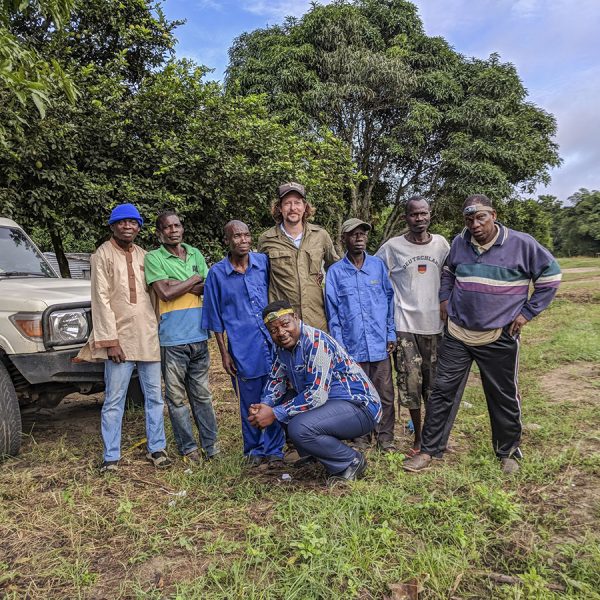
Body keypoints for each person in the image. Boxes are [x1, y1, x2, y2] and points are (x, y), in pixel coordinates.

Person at [403, 194, 562, 474]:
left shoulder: (521, 244)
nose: (475, 224)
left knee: (502, 394)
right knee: (442, 392)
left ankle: (508, 452)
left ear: (493, 215)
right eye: (469, 219)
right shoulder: (459, 242)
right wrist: (444, 299)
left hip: (498, 335)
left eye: (481, 217)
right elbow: (449, 272)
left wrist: (527, 313)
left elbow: (550, 276)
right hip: (458, 333)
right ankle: (429, 450)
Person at [77, 203, 171, 473]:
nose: (128, 226)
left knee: (154, 397)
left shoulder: (146, 256)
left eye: (133, 222)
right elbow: (101, 300)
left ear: (139, 228)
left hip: (147, 335)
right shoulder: (102, 255)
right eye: (122, 222)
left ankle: (157, 448)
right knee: (114, 399)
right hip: (118, 339)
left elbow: (154, 296)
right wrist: (110, 340)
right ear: (112, 226)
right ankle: (111, 456)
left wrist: (158, 328)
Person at [248, 300, 382, 484]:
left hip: (360, 407)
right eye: (273, 330)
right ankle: (314, 454)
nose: (281, 332)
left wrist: (274, 413)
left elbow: (316, 395)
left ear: (296, 318)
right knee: (284, 402)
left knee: (298, 427)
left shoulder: (316, 343)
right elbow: (276, 380)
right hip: (333, 405)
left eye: (285, 324)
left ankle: (350, 461)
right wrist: (265, 405)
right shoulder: (282, 348)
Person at [201, 220, 285, 468]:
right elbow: (215, 319)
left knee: (273, 396)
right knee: (249, 400)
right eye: (237, 236)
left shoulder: (262, 264)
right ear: (227, 240)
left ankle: (275, 451)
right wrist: (224, 353)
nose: (243, 241)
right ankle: (254, 450)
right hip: (242, 347)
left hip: (271, 342)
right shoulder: (217, 274)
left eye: (247, 235)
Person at [376, 197, 453, 456]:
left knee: (434, 387)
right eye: (413, 215)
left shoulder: (442, 244)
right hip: (405, 326)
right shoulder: (392, 247)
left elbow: (451, 275)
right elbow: (374, 274)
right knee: (410, 386)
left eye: (423, 214)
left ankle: (434, 438)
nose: (419, 219)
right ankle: (418, 439)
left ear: (430, 215)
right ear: (405, 218)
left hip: (436, 326)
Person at [144, 210, 219, 463]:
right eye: (167, 227)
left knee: (202, 396)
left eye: (177, 225)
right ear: (159, 232)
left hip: (199, 335)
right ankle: (189, 449)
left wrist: (180, 284)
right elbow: (164, 293)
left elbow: (208, 286)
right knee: (176, 399)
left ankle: (211, 447)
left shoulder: (195, 253)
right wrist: (194, 279)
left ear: (182, 228)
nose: (173, 230)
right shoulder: (154, 257)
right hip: (171, 339)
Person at [325, 218, 397, 452]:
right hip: (352, 346)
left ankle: (385, 438)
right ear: (343, 239)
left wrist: (390, 333)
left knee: (385, 393)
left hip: (379, 344)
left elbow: (389, 300)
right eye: (354, 234)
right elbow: (333, 312)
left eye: (363, 234)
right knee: (357, 394)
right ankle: (361, 436)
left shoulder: (377, 266)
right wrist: (339, 345)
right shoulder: (335, 272)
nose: (359, 238)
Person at [257, 182, 339, 331]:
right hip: (283, 323)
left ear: (305, 206)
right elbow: (260, 279)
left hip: (317, 319)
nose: (293, 208)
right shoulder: (267, 239)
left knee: (318, 355)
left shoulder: (321, 236)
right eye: (287, 203)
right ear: (280, 208)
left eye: (297, 203)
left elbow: (335, 268)